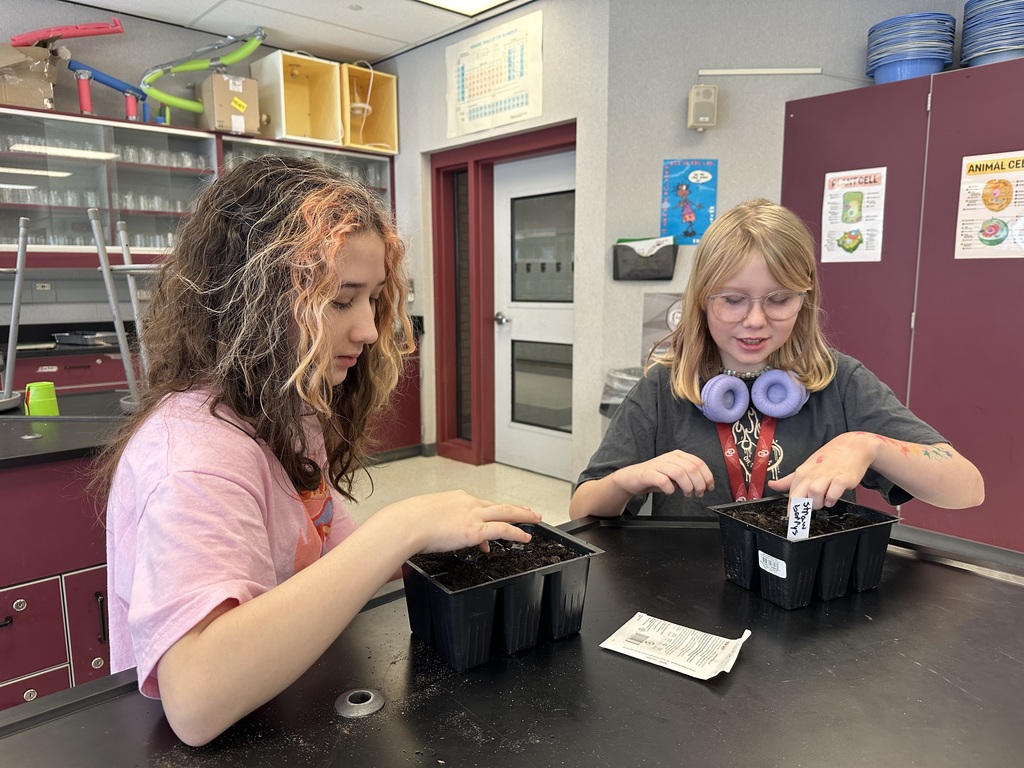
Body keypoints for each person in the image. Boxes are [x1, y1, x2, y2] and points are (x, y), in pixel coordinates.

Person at [91, 155, 540, 747]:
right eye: (340, 300)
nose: (370, 330)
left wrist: (438, 538)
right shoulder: (195, 461)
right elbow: (196, 702)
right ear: (251, 300)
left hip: (283, 707)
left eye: (372, 299)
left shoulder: (288, 408)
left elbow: (331, 553)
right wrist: (399, 529)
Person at [570, 198, 983, 520]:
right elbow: (582, 509)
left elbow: (967, 488)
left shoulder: (840, 382)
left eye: (779, 299)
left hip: (806, 591)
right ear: (701, 299)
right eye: (733, 300)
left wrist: (869, 445)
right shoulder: (664, 388)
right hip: (689, 592)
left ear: (804, 299)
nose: (755, 321)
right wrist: (626, 481)